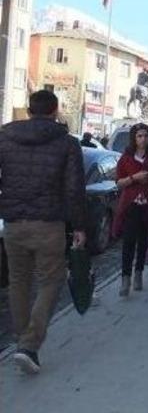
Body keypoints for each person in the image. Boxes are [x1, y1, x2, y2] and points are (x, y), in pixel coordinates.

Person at [1, 90, 86, 374]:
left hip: (13, 223)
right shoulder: (67, 143)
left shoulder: (5, 137)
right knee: (52, 280)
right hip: (49, 223)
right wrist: (80, 227)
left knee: (18, 281)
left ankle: (22, 342)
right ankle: (29, 346)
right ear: (55, 110)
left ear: (28, 110)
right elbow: (74, 189)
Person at [113, 123, 148, 297]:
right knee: (128, 243)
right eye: (139, 136)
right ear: (134, 138)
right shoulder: (126, 157)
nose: (143, 139)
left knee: (144, 242)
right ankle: (125, 278)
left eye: (146, 136)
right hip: (130, 206)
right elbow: (119, 182)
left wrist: (147, 177)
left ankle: (139, 274)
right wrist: (134, 177)